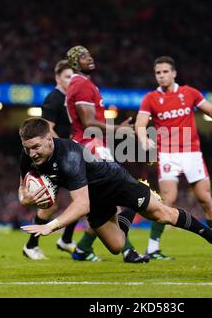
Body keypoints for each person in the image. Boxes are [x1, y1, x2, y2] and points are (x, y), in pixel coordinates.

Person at [18, 118, 212, 269]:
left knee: (162, 214)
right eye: (28, 148)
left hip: (115, 182)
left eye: (36, 147)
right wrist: (25, 198)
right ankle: (130, 208)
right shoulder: (27, 156)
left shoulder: (69, 157)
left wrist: (50, 226)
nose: (32, 153)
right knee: (116, 246)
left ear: (49, 138)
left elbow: (81, 206)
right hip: (94, 198)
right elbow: (22, 190)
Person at [135, 56, 212, 260]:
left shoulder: (189, 92)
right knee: (168, 199)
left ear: (174, 73)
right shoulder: (150, 98)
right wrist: (144, 140)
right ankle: (152, 248)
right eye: (158, 73)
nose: (161, 76)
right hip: (168, 154)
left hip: (191, 153)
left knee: (205, 199)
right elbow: (140, 124)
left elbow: (210, 108)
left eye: (165, 72)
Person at [65, 45, 148, 263]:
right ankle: (128, 251)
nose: (89, 58)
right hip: (89, 145)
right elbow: (88, 122)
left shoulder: (82, 83)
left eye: (89, 54)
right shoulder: (81, 85)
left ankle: (83, 248)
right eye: (83, 56)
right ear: (74, 62)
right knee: (117, 195)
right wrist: (118, 129)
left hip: (90, 145)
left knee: (105, 204)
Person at [22, 60, 101, 261]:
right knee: (52, 203)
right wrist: (64, 148)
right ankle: (32, 245)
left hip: (70, 155)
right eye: (67, 77)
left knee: (82, 197)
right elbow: (47, 128)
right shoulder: (54, 99)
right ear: (57, 78)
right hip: (57, 155)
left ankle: (64, 239)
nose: (71, 81)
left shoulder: (71, 98)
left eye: (73, 77)